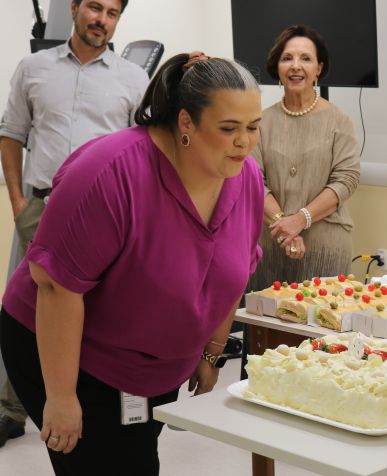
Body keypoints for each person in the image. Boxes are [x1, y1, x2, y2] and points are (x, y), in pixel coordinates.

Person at [0, 52, 264, 475]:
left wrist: (212, 353)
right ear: (186, 123)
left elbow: (236, 272)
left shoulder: (244, 176)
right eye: (229, 128)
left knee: (135, 456)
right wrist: (61, 397)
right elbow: (56, 287)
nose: (244, 142)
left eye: (253, 127)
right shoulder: (110, 172)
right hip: (69, 354)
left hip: (151, 368)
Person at [0, 0, 148, 448]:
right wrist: (18, 202)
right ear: (75, 8)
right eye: (94, 8)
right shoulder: (34, 68)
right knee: (20, 310)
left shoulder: (133, 78)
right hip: (39, 209)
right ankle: (10, 409)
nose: (101, 19)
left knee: (97, 312)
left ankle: (81, 400)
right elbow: (12, 134)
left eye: (112, 13)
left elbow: (143, 151)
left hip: (103, 216)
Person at [247, 24, 360, 291]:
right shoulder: (260, 121)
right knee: (267, 317)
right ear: (277, 67)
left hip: (326, 249)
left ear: (318, 68)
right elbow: (253, 180)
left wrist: (300, 220)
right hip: (270, 248)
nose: (295, 66)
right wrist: (283, 227)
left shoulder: (339, 120)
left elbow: (346, 180)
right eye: (287, 58)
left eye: (305, 58)